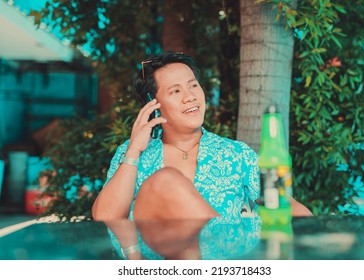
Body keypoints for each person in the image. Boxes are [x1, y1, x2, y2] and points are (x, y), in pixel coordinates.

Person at [92, 51, 311, 222]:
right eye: (176, 91)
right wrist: (133, 151)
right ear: (153, 105)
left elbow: (285, 205)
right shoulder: (132, 154)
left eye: (193, 86)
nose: (190, 97)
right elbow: (105, 217)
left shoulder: (236, 154)